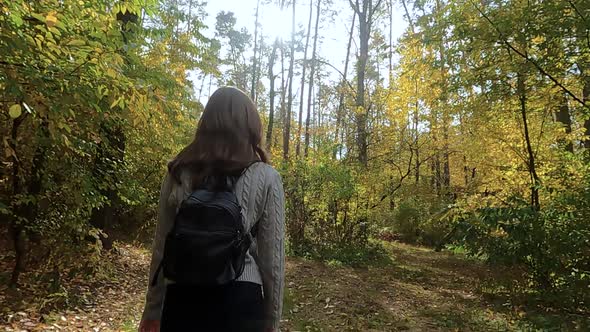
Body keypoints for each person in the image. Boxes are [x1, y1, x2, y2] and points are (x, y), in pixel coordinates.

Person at [138, 87, 285, 332]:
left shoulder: (178, 172)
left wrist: (153, 311)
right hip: (241, 303)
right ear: (251, 124)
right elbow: (273, 261)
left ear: (205, 123)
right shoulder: (267, 177)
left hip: (183, 298)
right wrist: (272, 322)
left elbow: (162, 248)